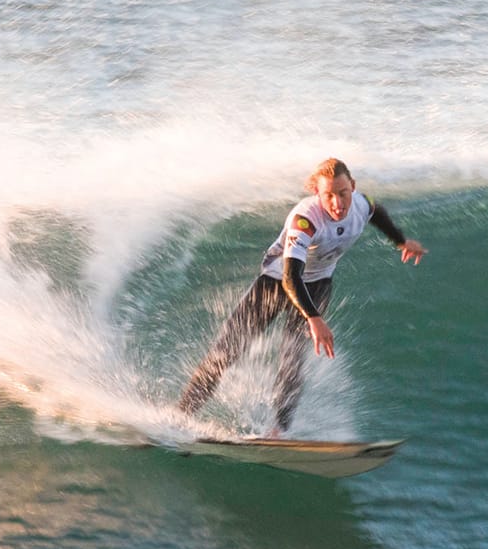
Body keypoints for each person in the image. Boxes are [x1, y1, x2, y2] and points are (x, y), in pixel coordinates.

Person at [178, 158, 425, 437]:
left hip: (318, 284)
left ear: (352, 187)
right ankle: (180, 416)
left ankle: (277, 431)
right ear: (318, 195)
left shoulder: (361, 203)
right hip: (275, 283)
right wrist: (315, 319)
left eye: (343, 193)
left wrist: (401, 241)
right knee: (226, 353)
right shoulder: (305, 219)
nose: (337, 203)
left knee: (292, 360)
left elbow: (376, 212)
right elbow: (290, 276)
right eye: (328, 196)